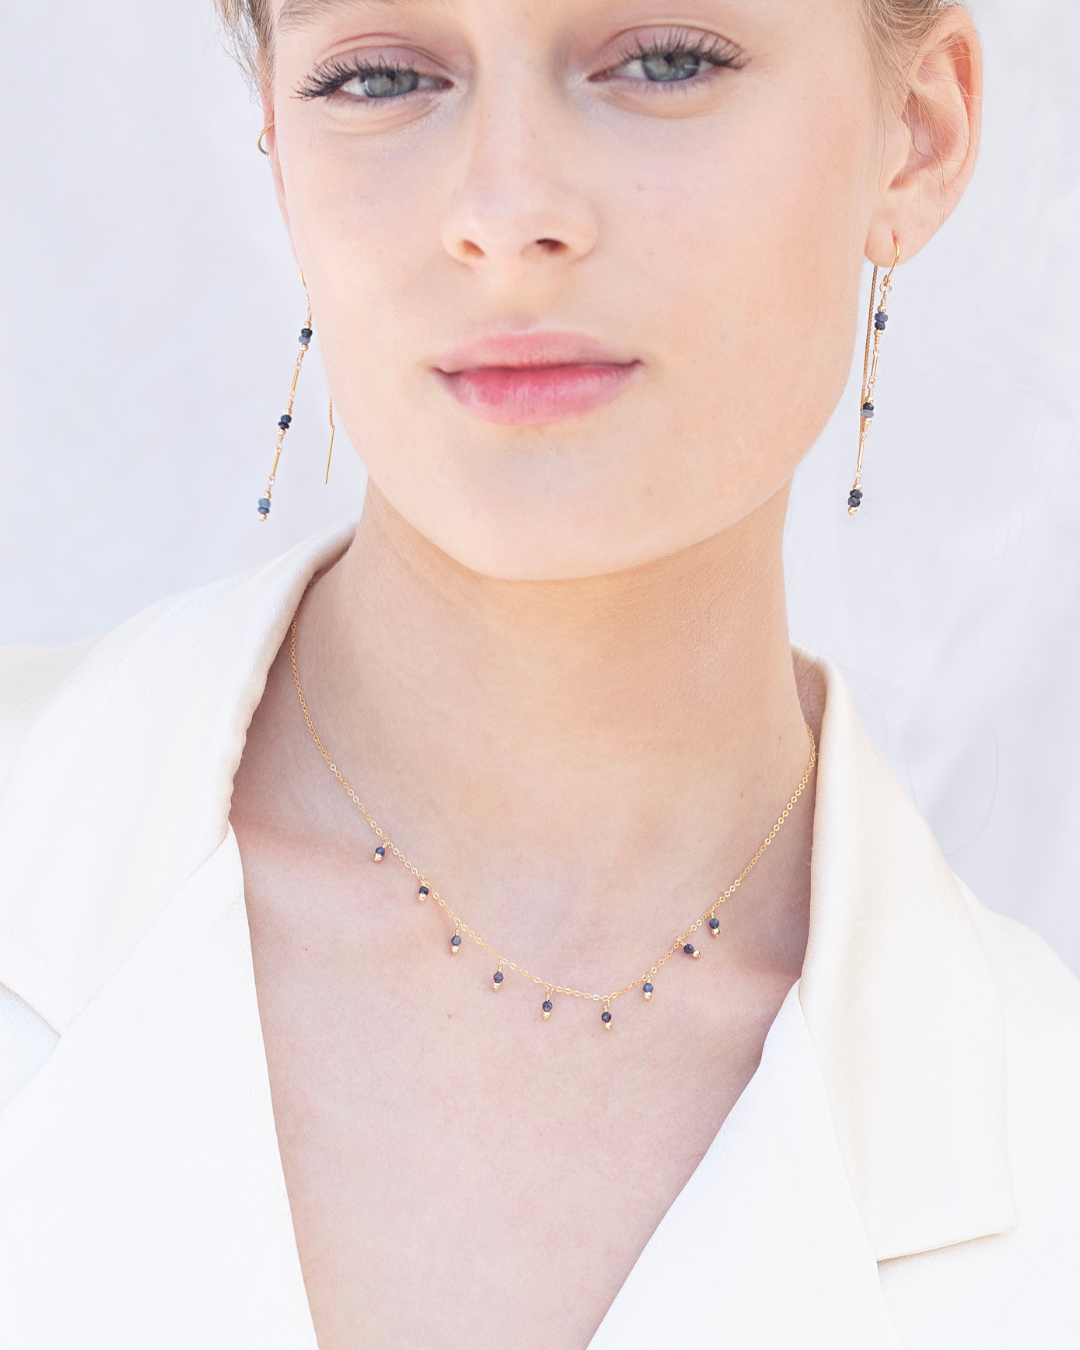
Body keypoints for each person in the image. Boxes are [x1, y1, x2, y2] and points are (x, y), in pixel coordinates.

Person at [0, 0, 1077, 1346]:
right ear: (278, 148)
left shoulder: (1053, 1170)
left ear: (917, 135)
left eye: (666, 61)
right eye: (381, 74)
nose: (506, 209)